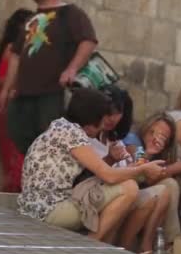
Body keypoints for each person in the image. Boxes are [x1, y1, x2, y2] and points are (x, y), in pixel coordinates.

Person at [17, 88, 166, 243]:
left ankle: (103, 248)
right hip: (48, 211)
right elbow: (108, 175)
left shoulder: (61, 127)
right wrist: (143, 169)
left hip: (35, 208)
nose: (105, 123)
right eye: (103, 117)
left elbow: (90, 174)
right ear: (92, 119)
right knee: (129, 188)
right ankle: (91, 244)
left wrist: (113, 160)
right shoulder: (72, 134)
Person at [0, 0, 98, 154]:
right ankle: (36, 168)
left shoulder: (70, 13)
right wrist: (6, 89)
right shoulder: (31, 20)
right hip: (24, 93)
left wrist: (71, 69)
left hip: (51, 91)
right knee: (17, 130)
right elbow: (17, 55)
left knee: (49, 138)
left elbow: (88, 41)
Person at [123, 113, 181, 246]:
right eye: (153, 132)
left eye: (163, 137)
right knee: (164, 189)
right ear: (146, 127)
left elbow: (148, 181)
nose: (155, 138)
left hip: (139, 190)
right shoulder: (133, 140)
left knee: (170, 184)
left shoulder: (161, 153)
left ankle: (166, 242)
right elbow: (137, 164)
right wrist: (149, 152)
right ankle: (162, 243)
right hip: (126, 190)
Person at [0, 8, 33, 192]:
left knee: (18, 158)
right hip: (12, 109)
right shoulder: (12, 49)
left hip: (14, 109)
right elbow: (2, 78)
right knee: (16, 158)